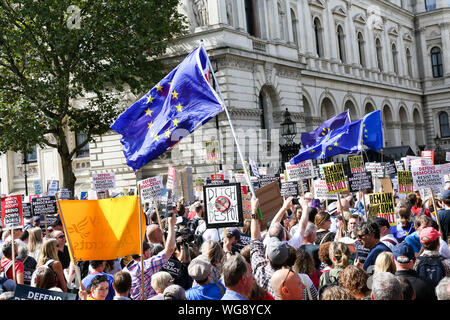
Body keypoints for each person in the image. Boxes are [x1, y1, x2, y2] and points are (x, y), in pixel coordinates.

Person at [125, 210, 176, 300]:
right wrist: (171, 225)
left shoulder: (126, 270)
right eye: (149, 250)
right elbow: (169, 250)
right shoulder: (146, 266)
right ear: (144, 253)